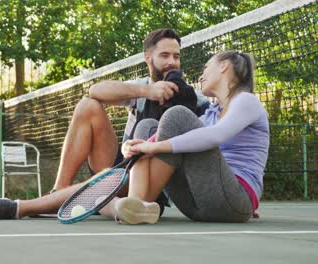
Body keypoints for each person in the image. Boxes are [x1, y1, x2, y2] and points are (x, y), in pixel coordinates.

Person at [0, 28, 207, 220]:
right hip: (121, 162)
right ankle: (58, 193)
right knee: (88, 106)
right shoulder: (142, 87)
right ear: (148, 58)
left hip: (149, 178)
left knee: (112, 174)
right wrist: (148, 91)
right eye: (165, 55)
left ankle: (24, 206)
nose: (172, 62)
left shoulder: (192, 98)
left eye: (176, 56)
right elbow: (95, 91)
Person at [112, 50, 269, 224]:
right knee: (146, 126)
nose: (201, 76)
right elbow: (164, 136)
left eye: (206, 68)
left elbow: (215, 135)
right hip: (196, 203)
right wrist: (134, 146)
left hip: (234, 197)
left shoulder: (246, 100)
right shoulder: (211, 112)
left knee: (177, 115)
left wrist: (153, 147)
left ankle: (138, 203)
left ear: (224, 66)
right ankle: (137, 205)